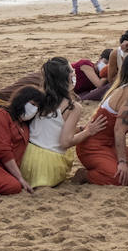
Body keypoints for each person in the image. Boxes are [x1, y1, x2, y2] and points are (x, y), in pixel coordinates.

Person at [75, 54, 128, 186]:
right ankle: (85, 175)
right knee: (121, 178)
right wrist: (122, 162)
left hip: (110, 145)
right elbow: (119, 130)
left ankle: (107, 165)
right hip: (93, 146)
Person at [20, 58, 86, 188]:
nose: (74, 73)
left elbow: (50, 127)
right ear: (66, 77)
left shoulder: (38, 98)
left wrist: (79, 129)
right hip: (48, 165)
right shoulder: (73, 107)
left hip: (25, 160)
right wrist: (88, 132)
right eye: (72, 70)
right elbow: (65, 142)